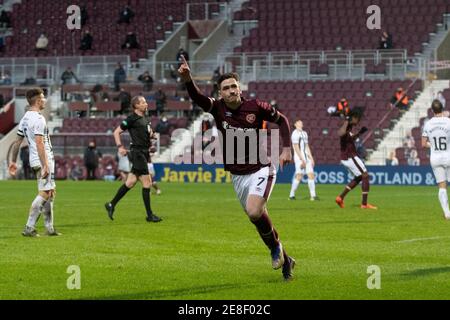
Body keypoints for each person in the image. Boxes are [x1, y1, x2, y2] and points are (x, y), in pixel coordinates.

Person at [178, 55, 295, 280]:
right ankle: (286, 259)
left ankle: (275, 249)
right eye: (226, 88)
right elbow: (198, 97)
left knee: (254, 211)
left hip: (262, 167)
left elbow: (282, 121)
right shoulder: (217, 108)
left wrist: (287, 149)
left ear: (239, 89)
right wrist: (188, 79)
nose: (231, 90)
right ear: (220, 93)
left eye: (234, 86)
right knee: (258, 217)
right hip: (238, 176)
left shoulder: (257, 107)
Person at [8, 88, 61, 237]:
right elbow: (39, 143)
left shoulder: (25, 118)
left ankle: (49, 228)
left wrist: (13, 161)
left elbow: (17, 142)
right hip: (43, 159)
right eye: (43, 98)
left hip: (35, 159)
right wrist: (45, 165)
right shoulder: (38, 119)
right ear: (38, 101)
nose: (44, 100)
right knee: (44, 193)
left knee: (51, 192)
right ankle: (29, 227)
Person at [104, 96, 162, 223]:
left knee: (130, 182)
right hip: (137, 153)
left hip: (144, 153)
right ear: (136, 106)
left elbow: (148, 132)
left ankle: (111, 204)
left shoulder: (146, 118)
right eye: (143, 102)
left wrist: (152, 136)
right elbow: (116, 132)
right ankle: (149, 215)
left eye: (145, 102)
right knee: (147, 183)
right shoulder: (131, 119)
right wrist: (120, 147)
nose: (146, 104)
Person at [335, 108, 377, 210]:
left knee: (359, 178)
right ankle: (364, 204)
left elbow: (349, 139)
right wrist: (346, 120)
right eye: (357, 119)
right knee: (365, 175)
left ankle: (340, 198)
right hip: (350, 156)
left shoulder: (349, 128)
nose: (358, 121)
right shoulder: (346, 125)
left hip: (348, 157)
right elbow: (340, 133)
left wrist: (359, 133)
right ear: (353, 118)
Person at [422, 99, 450, 220]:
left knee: (442, 186)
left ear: (432, 110)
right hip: (448, 156)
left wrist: (432, 145)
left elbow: (423, 144)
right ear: (442, 109)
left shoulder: (428, 124)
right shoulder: (448, 122)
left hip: (435, 158)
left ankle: (447, 213)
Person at [289, 119, 318, 201]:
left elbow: (306, 146)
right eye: (299, 122)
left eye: (301, 122)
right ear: (295, 124)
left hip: (307, 158)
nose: (301, 123)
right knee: (299, 176)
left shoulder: (304, 133)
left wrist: (311, 158)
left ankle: (313, 196)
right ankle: (291, 195)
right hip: (299, 158)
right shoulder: (295, 134)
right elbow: (296, 147)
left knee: (311, 175)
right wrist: (302, 159)